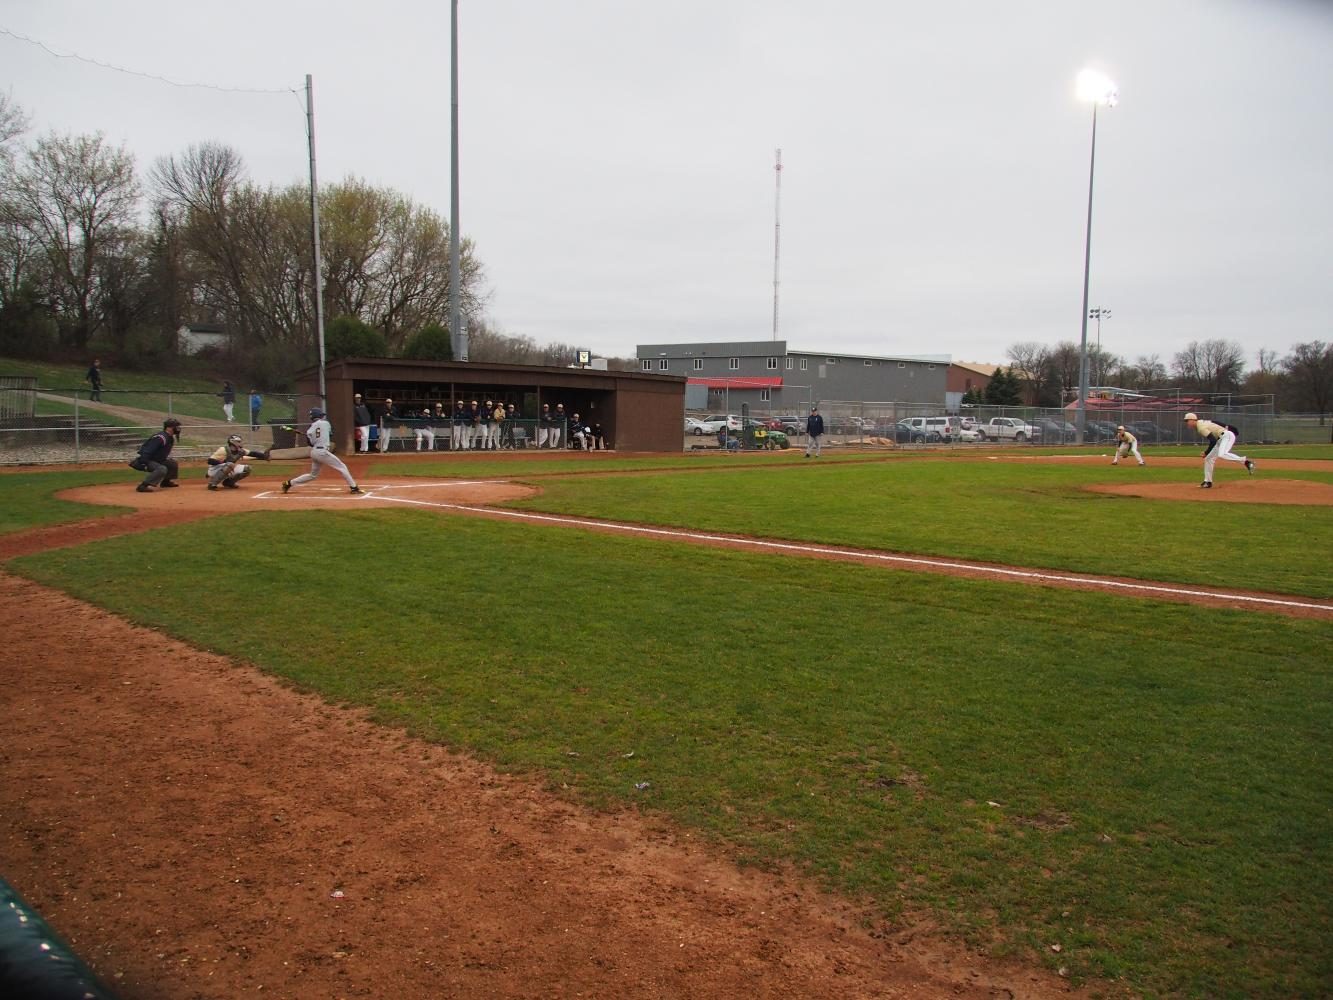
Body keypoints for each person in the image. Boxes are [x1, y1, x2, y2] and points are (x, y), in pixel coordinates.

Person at [283, 407, 361, 494]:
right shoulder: (326, 423)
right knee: (342, 467)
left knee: (312, 475)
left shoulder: (310, 430)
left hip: (314, 452)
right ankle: (354, 488)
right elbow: (330, 435)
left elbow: (311, 444)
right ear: (319, 415)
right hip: (322, 452)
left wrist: (311, 436)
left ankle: (289, 483)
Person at [1185, 412, 1254, 488]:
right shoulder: (1201, 422)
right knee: (1209, 459)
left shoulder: (1201, 427)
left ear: (1193, 420)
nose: (1186, 423)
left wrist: (1206, 452)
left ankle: (1246, 462)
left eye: (1187, 421)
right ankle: (1207, 482)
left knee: (1222, 454)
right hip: (1221, 438)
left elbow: (1213, 441)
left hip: (1226, 436)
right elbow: (1215, 423)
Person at [130, 417, 182, 492]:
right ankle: (143, 486)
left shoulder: (169, 437)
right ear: (168, 428)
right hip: (146, 461)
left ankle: (165, 482)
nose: (178, 428)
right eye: (175, 426)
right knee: (161, 469)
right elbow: (147, 450)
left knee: (172, 464)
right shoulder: (161, 437)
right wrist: (144, 462)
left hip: (157, 460)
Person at [206, 433, 271, 490]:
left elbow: (253, 453)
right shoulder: (223, 449)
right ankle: (212, 484)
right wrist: (224, 463)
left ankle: (228, 483)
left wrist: (265, 456)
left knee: (247, 469)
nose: (240, 443)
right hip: (214, 469)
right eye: (238, 441)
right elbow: (210, 461)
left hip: (228, 467)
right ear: (233, 442)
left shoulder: (240, 451)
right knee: (230, 464)